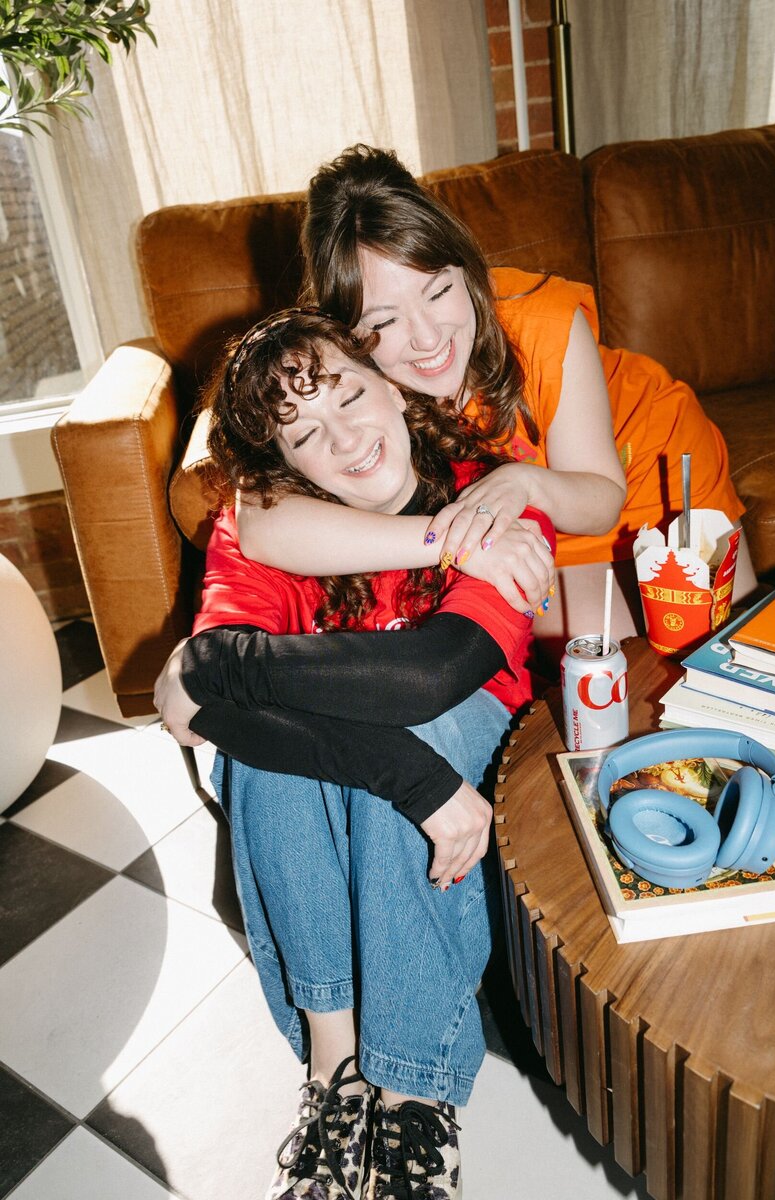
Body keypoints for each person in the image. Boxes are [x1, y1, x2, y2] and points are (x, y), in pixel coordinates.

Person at [155, 308, 556, 1200]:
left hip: (472, 736)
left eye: (347, 394)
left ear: (391, 384)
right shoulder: (260, 527)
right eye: (304, 434)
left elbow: (431, 678)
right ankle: (333, 1076)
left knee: (379, 729)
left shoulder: (490, 500)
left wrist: (226, 665)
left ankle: (411, 1100)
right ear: (283, 465)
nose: (343, 439)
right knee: (275, 755)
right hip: (409, 774)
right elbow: (204, 717)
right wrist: (399, 773)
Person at [233, 144, 756, 671]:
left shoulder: (543, 323)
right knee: (584, 675)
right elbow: (257, 523)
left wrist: (523, 483)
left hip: (649, 470)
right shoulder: (332, 373)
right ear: (343, 333)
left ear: (469, 269)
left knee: (721, 660)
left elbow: (601, 503)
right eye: (385, 322)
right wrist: (447, 543)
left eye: (438, 292)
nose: (427, 338)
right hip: (531, 533)